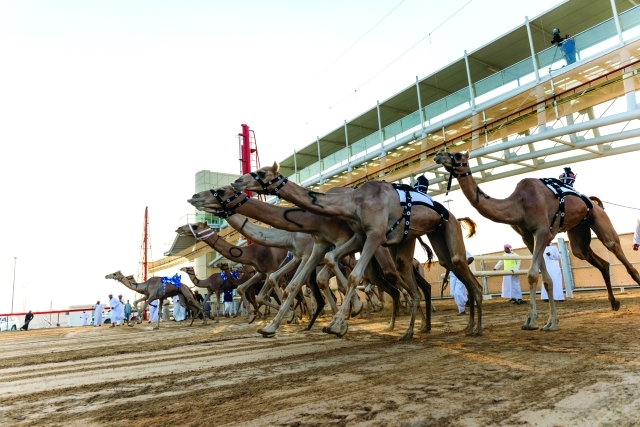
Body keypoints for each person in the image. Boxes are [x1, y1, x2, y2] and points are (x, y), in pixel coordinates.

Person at [449, 251, 474, 315]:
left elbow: (471, 258)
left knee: (458, 292)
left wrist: (462, 266)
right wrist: (446, 276)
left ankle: (462, 311)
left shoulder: (460, 249)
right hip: (452, 274)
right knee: (452, 293)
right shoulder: (448, 252)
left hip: (461, 273)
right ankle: (466, 298)